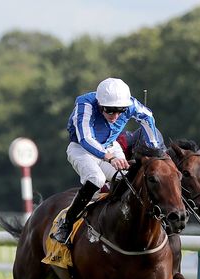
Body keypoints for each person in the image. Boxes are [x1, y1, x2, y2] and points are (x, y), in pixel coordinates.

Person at [53, 77, 163, 244]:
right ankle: (66, 223)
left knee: (127, 179)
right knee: (96, 179)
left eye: (120, 111)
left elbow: (148, 118)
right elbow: (85, 139)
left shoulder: (130, 104)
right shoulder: (85, 105)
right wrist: (109, 157)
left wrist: (155, 149)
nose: (115, 116)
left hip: (110, 146)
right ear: (100, 104)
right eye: (110, 111)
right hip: (81, 149)